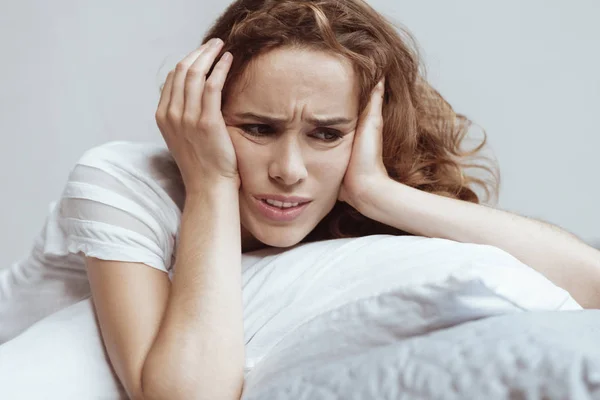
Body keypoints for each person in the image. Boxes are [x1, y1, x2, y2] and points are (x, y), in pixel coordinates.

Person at [1, 0, 599, 399]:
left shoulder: (351, 191)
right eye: (257, 129)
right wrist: (211, 183)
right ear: (206, 115)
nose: (288, 171)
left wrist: (378, 192)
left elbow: (592, 289)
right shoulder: (120, 181)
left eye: (327, 133)